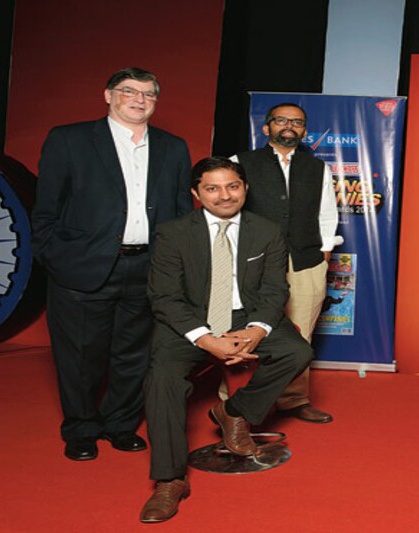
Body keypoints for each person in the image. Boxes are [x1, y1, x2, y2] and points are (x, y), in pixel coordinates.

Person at [31, 67, 192, 461]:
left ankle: (120, 424)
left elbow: (181, 214)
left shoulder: (173, 147)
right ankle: (81, 429)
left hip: (148, 267)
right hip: (83, 268)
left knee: (134, 354)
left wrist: (173, 268)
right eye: (129, 91)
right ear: (108, 95)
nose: (139, 100)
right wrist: (56, 258)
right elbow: (45, 209)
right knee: (81, 356)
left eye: (149, 94)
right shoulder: (69, 140)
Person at [139, 157, 311, 522]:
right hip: (189, 320)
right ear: (196, 193)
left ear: (245, 189)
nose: (224, 195)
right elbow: (165, 297)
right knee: (162, 380)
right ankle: (170, 480)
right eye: (212, 188)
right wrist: (205, 339)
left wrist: (257, 329)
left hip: (245, 316)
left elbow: (274, 289)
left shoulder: (265, 231)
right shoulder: (173, 233)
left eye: (232, 186)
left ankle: (234, 411)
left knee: (296, 351)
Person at [231, 102, 337, 423]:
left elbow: (327, 215)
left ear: (304, 131)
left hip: (306, 261)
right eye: (281, 120)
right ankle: (234, 405)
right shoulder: (240, 163)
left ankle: (293, 399)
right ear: (267, 128)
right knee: (243, 332)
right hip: (254, 263)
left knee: (300, 335)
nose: (289, 126)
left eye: (297, 122)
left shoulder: (317, 168)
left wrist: (324, 256)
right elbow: (227, 210)